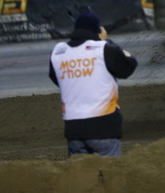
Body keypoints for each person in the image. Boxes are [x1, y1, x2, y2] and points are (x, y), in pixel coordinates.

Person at [48, 8, 138, 157]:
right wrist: (105, 41)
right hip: (103, 128)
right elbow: (128, 66)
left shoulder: (58, 52)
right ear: (97, 31)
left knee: (80, 175)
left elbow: (58, 79)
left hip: (73, 130)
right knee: (110, 174)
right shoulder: (103, 49)